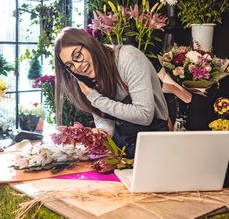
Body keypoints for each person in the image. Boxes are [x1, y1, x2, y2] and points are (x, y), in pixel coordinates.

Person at [54, 27, 169, 158]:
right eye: (70, 65)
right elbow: (103, 116)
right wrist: (103, 132)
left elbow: (145, 115)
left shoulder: (128, 58)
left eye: (77, 56)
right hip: (123, 149)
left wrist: (95, 98)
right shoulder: (86, 78)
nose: (77, 66)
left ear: (89, 44)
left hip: (155, 144)